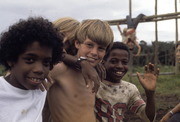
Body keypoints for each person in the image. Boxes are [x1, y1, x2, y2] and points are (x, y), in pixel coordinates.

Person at [46, 19, 114, 122]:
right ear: (77, 43)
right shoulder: (60, 69)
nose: (94, 52)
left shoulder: (93, 72)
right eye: (89, 45)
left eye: (101, 48)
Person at [0, 17, 63, 122]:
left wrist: (82, 63)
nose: (39, 69)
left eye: (46, 62)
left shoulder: (42, 90)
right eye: (30, 60)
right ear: (11, 59)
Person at [95, 42, 159, 122]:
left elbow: (148, 118)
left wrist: (150, 94)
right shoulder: (93, 84)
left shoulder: (129, 89)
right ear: (103, 61)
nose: (120, 66)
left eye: (124, 62)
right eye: (114, 61)